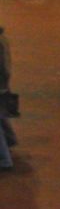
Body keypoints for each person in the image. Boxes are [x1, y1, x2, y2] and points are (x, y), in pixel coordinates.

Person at [0, 27, 16, 172]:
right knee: (2, 117)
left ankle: (4, 160)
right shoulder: (2, 39)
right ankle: (11, 140)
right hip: (3, 86)